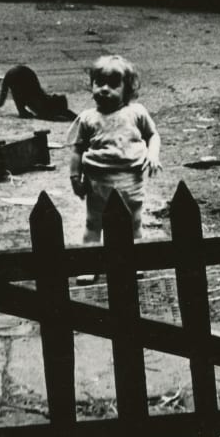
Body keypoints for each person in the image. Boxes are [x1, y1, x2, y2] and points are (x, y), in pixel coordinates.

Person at [67, 55, 161, 279]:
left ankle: (134, 261)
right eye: (99, 83)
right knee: (93, 224)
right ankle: (90, 266)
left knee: (133, 223)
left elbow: (153, 135)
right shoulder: (88, 118)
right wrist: (74, 178)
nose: (104, 89)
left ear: (127, 89)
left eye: (113, 84)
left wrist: (153, 155)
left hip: (130, 180)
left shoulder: (136, 113)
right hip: (97, 182)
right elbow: (77, 150)